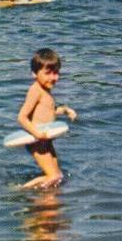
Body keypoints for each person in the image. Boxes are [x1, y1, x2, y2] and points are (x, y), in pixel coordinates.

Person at [16, 48, 77, 189]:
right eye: (47, 73)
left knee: (58, 175)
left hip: (46, 140)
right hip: (37, 141)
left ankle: (45, 195)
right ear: (34, 74)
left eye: (56, 73)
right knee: (53, 176)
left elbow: (49, 112)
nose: (53, 77)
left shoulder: (46, 91)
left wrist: (65, 110)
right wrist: (37, 134)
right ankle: (21, 190)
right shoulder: (35, 90)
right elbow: (22, 117)